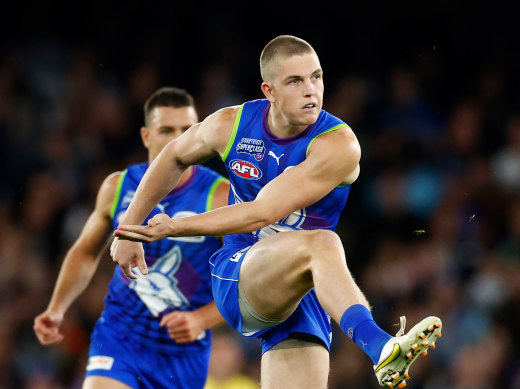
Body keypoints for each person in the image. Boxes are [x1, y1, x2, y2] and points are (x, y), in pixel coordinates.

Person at [110, 36, 442, 389]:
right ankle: (381, 347)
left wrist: (173, 225)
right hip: (240, 271)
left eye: (317, 77)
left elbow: (263, 212)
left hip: (301, 291)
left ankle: (383, 352)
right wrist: (131, 226)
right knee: (323, 242)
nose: (311, 90)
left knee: (319, 247)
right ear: (269, 91)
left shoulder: (337, 145)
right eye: (295, 82)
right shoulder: (232, 125)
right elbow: (174, 155)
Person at [34, 86, 230, 389]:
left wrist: (202, 319)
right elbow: (86, 252)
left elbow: (249, 279)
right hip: (120, 336)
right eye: (166, 130)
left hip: (183, 354)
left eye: (187, 130)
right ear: (146, 136)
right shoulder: (118, 186)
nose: (178, 140)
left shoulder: (221, 196)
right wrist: (57, 307)